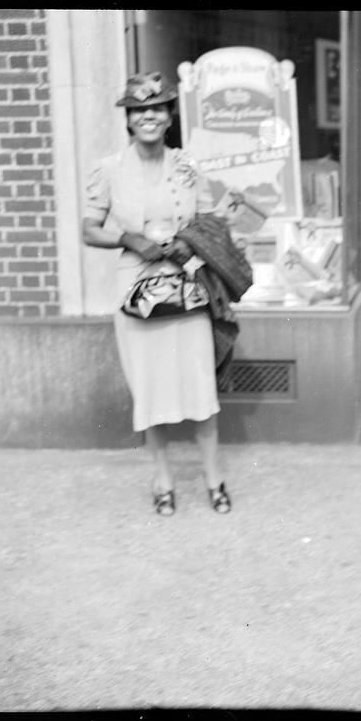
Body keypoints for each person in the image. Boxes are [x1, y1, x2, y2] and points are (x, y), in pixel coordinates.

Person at [82, 71, 252, 517]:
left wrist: (189, 240)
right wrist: (128, 239)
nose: (149, 116)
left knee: (200, 383)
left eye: (157, 108)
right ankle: (163, 480)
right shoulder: (109, 170)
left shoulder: (187, 165)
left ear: (170, 115)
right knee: (150, 389)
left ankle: (214, 478)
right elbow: (89, 229)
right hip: (135, 290)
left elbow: (213, 218)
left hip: (186, 284)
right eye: (140, 110)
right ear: (129, 119)